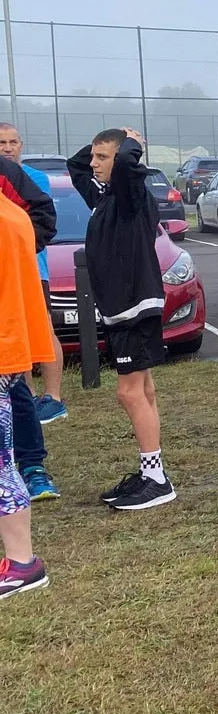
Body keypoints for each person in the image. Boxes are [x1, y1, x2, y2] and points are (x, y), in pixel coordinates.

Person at [67, 128, 175, 511]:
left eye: (102, 157)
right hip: (121, 306)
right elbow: (75, 166)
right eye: (94, 156)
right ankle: (153, 473)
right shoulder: (106, 195)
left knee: (128, 392)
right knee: (142, 390)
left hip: (134, 305)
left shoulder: (132, 194)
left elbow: (128, 162)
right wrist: (103, 145)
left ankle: (156, 479)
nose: (93, 164)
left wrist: (131, 143)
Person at [0, 189, 57, 598]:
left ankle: (23, 563)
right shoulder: (11, 214)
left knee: (3, 463)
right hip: (9, 349)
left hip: (4, 351)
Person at [0, 146, 61, 503]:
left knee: (13, 383)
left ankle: (32, 467)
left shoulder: (6, 174)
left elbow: (42, 214)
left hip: (9, 296)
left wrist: (16, 251)